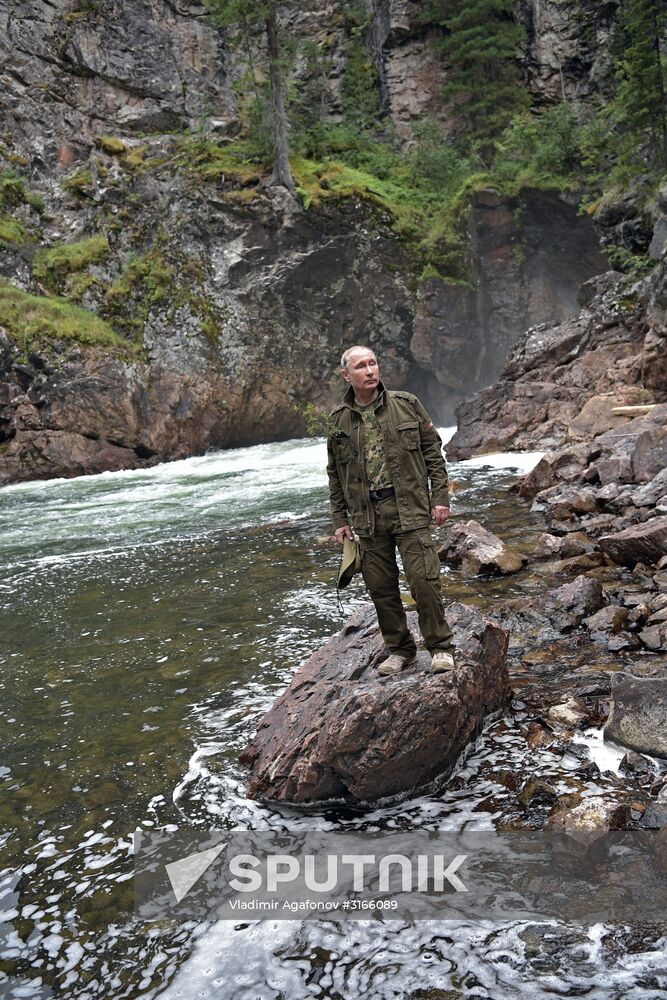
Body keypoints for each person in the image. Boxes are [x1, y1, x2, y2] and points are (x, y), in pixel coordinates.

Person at [326, 345, 455, 676]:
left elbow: (433, 454)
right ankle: (400, 650)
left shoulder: (407, 404)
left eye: (373, 364)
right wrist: (340, 519)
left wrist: (439, 497)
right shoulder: (339, 420)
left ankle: (440, 647)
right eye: (361, 366)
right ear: (346, 375)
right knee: (381, 588)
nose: (370, 371)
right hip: (367, 518)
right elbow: (334, 474)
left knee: (423, 580)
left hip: (409, 508)